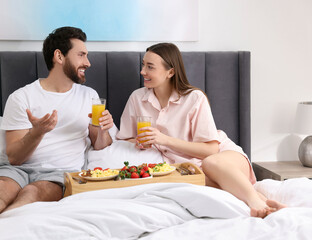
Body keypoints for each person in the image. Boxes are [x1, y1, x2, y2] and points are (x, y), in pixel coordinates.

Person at [0, 26, 114, 224]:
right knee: (1, 186)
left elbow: (100, 145)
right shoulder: (22, 97)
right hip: (16, 169)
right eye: (81, 55)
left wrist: (102, 129)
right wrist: (37, 133)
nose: (87, 63)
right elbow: (14, 157)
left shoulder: (90, 96)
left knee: (34, 192)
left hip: (59, 173)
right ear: (59, 56)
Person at [116, 42, 286, 218]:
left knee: (210, 164)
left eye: (150, 67)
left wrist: (164, 139)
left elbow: (211, 150)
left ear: (171, 72)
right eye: (143, 64)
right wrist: (140, 142)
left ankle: (255, 203)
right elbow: (125, 139)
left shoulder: (194, 98)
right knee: (197, 182)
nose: (143, 71)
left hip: (222, 157)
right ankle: (266, 203)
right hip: (186, 168)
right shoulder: (137, 98)